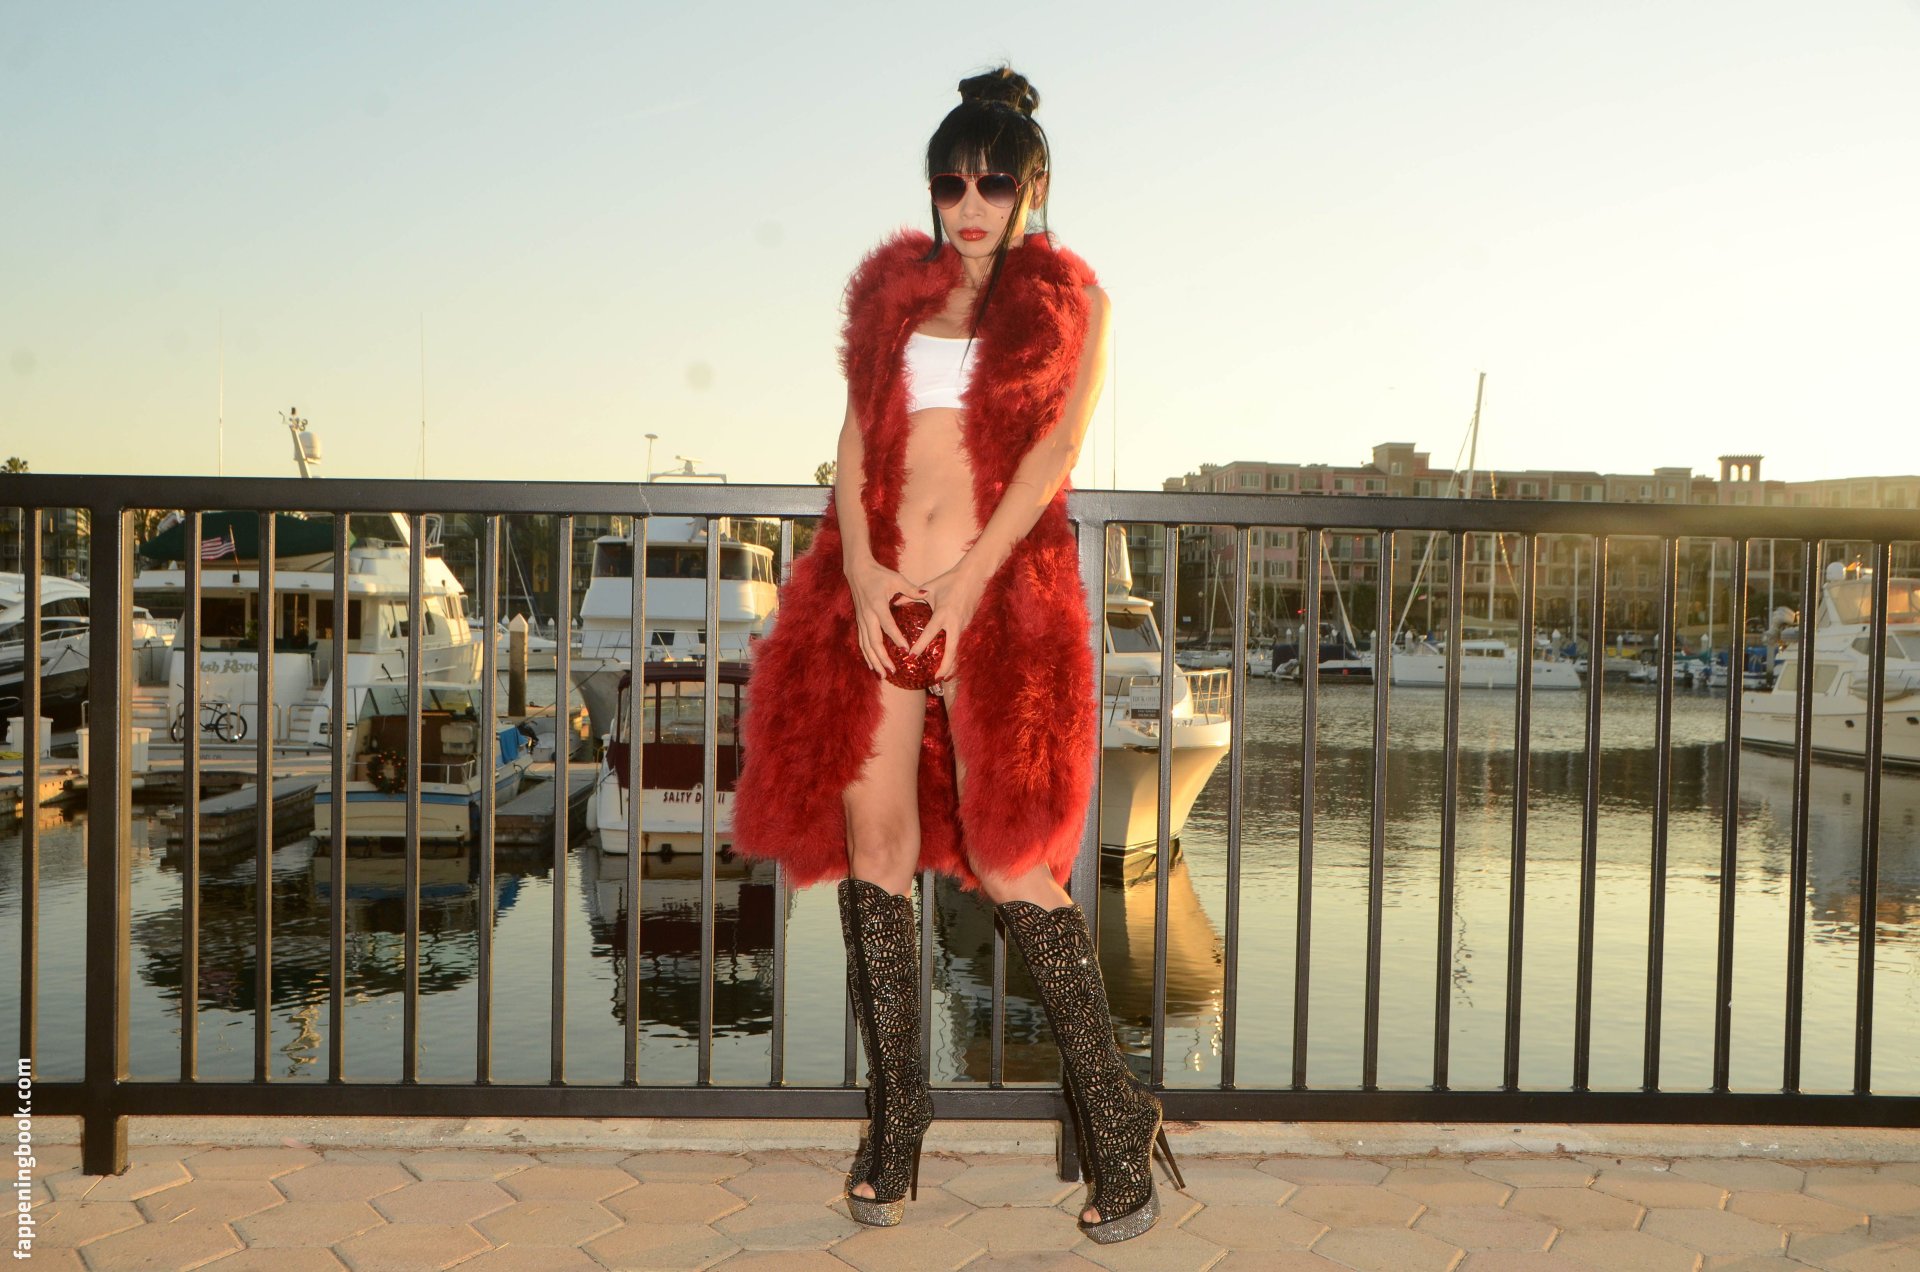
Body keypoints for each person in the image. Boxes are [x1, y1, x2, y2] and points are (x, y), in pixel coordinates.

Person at [729, 66, 1182, 1244]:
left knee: (1010, 857)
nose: (969, 204)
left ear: (1034, 186)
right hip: (878, 596)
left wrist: (968, 585)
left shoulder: (1074, 300)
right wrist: (865, 575)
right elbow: (851, 446)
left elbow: (1054, 455)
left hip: (997, 602)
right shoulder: (896, 300)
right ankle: (898, 1117)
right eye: (950, 184)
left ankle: (1118, 1114)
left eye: (992, 183)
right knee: (874, 850)